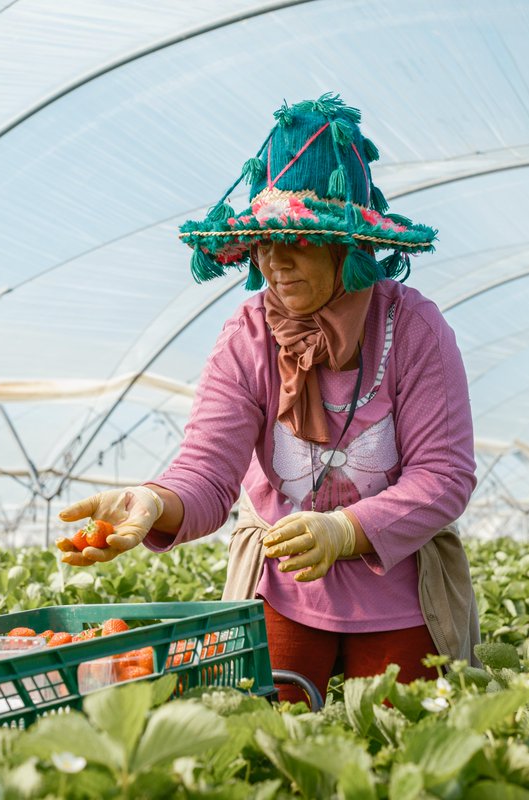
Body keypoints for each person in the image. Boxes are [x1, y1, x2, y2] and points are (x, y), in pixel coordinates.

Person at [58, 93, 480, 701]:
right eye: (264, 241)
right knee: (269, 740)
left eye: (299, 241)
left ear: (348, 245)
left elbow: (444, 476)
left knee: (400, 746)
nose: (275, 262)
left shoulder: (412, 329)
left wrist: (344, 531)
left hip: (400, 594)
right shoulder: (248, 335)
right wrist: (154, 500)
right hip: (282, 590)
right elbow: (206, 471)